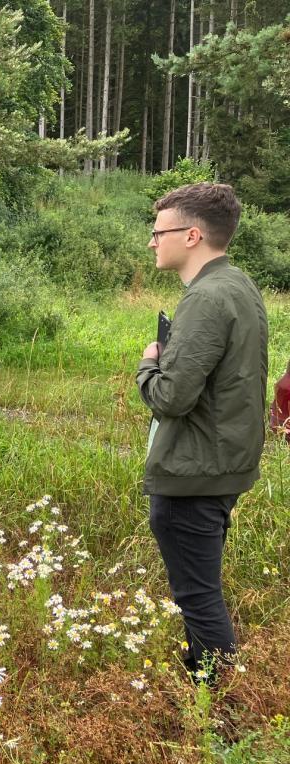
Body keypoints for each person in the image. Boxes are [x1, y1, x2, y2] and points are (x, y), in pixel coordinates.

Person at [138, 181, 268, 681]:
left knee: (197, 594)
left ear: (191, 235)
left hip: (194, 471)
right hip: (221, 463)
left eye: (158, 232)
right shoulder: (239, 285)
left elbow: (172, 397)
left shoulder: (207, 298)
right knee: (200, 587)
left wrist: (148, 364)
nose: (153, 241)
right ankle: (208, 695)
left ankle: (221, 713)